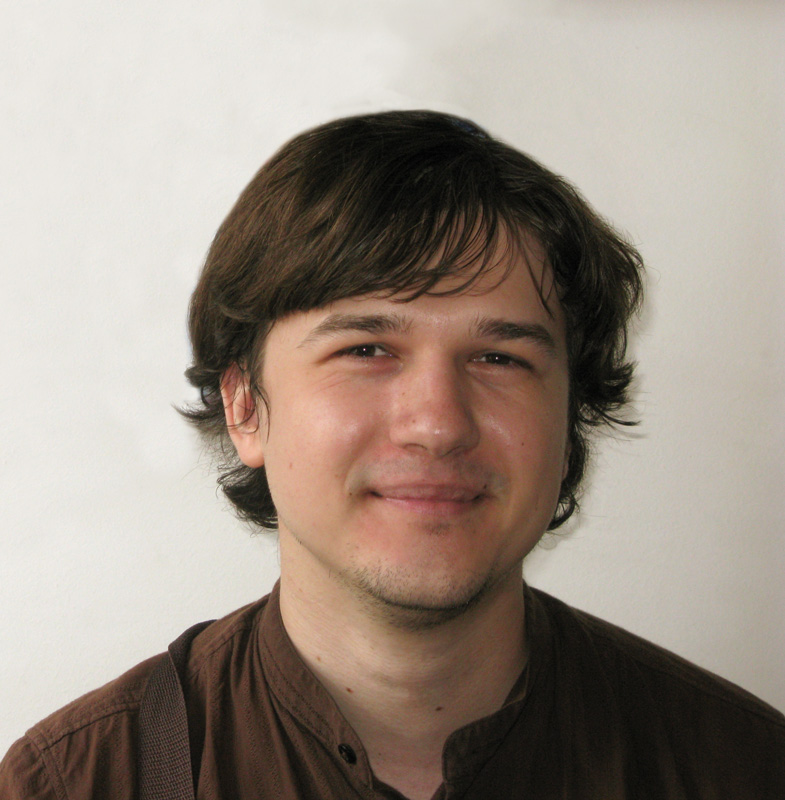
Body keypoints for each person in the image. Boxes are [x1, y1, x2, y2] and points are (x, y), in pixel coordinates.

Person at [1, 110, 783, 799]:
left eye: (499, 358)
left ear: (569, 414)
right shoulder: (75, 784)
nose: (437, 425)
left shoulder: (743, 771)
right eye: (366, 349)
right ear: (245, 408)